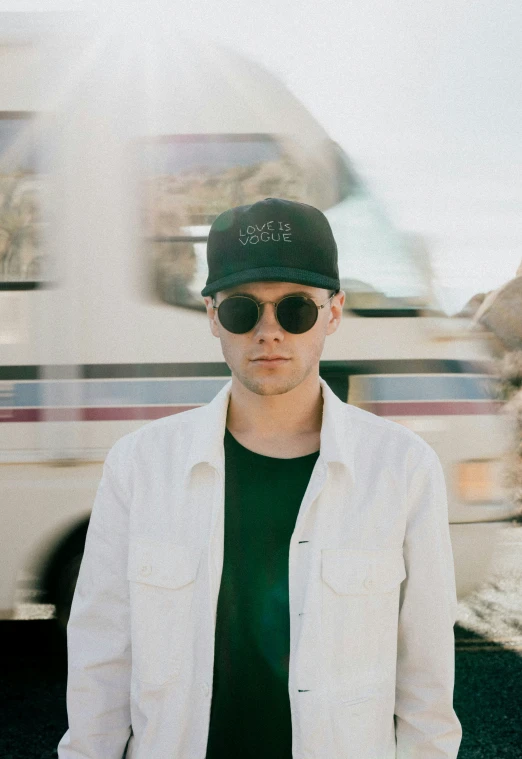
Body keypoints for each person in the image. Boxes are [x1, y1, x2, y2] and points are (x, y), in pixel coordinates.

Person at [57, 197, 462, 758]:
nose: (268, 331)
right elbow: (101, 659)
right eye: (242, 310)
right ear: (211, 316)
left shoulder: (402, 468)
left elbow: (426, 682)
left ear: (334, 312)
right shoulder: (139, 466)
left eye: (295, 309)